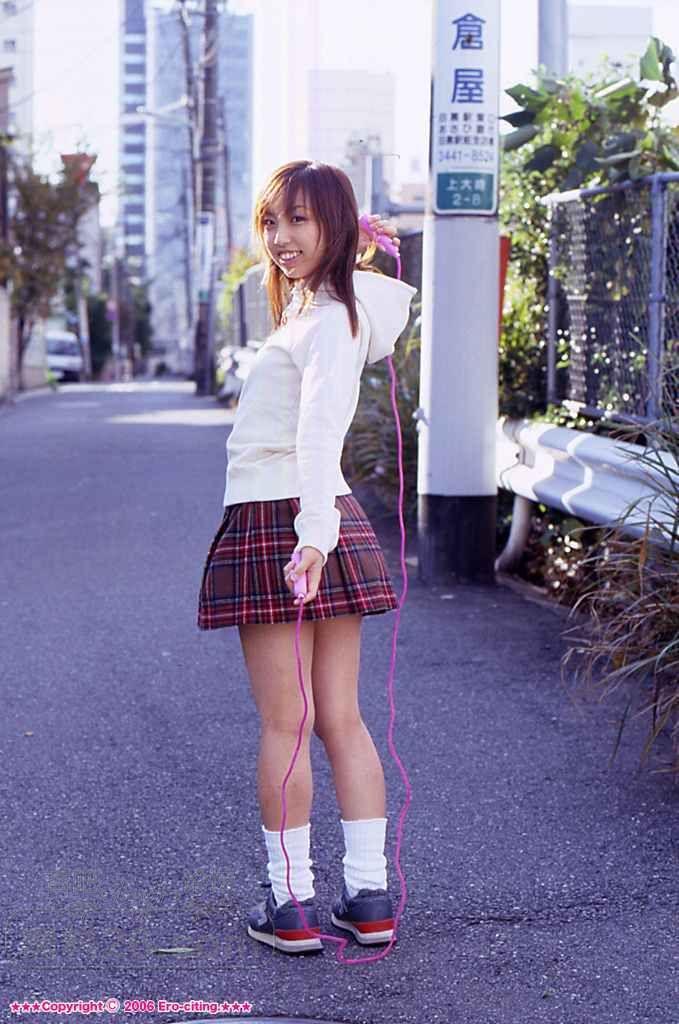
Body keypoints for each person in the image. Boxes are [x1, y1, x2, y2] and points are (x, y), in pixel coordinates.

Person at [197, 160, 417, 955]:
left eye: (299, 219)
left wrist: (312, 537)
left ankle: (290, 903)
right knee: (337, 718)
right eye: (271, 221)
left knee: (288, 724)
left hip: (287, 517)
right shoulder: (321, 311)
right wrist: (319, 528)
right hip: (314, 515)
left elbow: (319, 431)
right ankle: (367, 897)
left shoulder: (326, 319)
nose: (281, 237)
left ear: (337, 227)